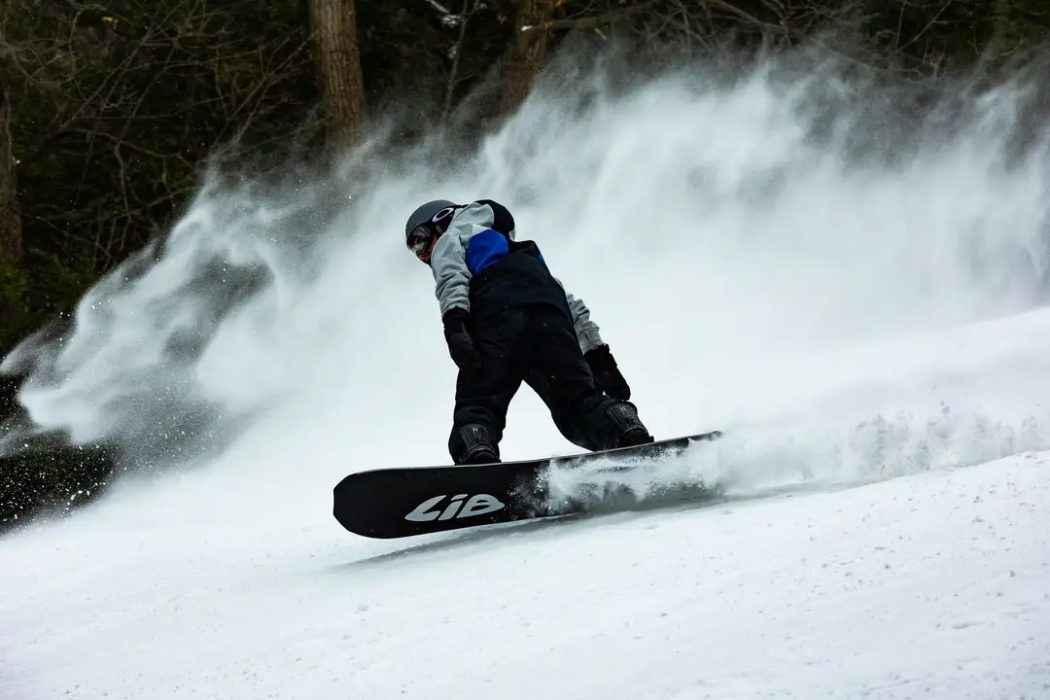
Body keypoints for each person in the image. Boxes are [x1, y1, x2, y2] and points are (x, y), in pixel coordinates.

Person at [405, 198, 654, 465]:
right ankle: (621, 425)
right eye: (415, 250)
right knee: (576, 405)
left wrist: (454, 326)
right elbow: (571, 307)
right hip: (549, 319)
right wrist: (600, 360)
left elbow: (451, 278)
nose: (422, 254)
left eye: (421, 241)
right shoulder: (526, 256)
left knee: (479, 400)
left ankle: (476, 448)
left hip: (498, 318)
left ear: (442, 220)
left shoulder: (453, 235)